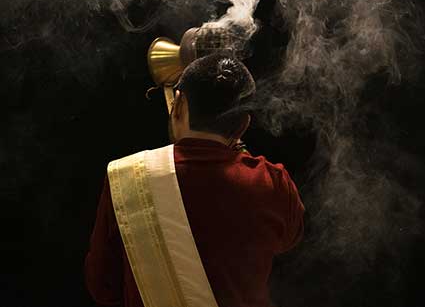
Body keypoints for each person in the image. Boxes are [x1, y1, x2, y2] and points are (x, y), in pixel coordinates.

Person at [84, 54, 305, 307]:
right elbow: (289, 239)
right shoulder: (274, 183)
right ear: (244, 124)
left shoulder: (125, 178)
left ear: (178, 105)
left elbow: (102, 286)